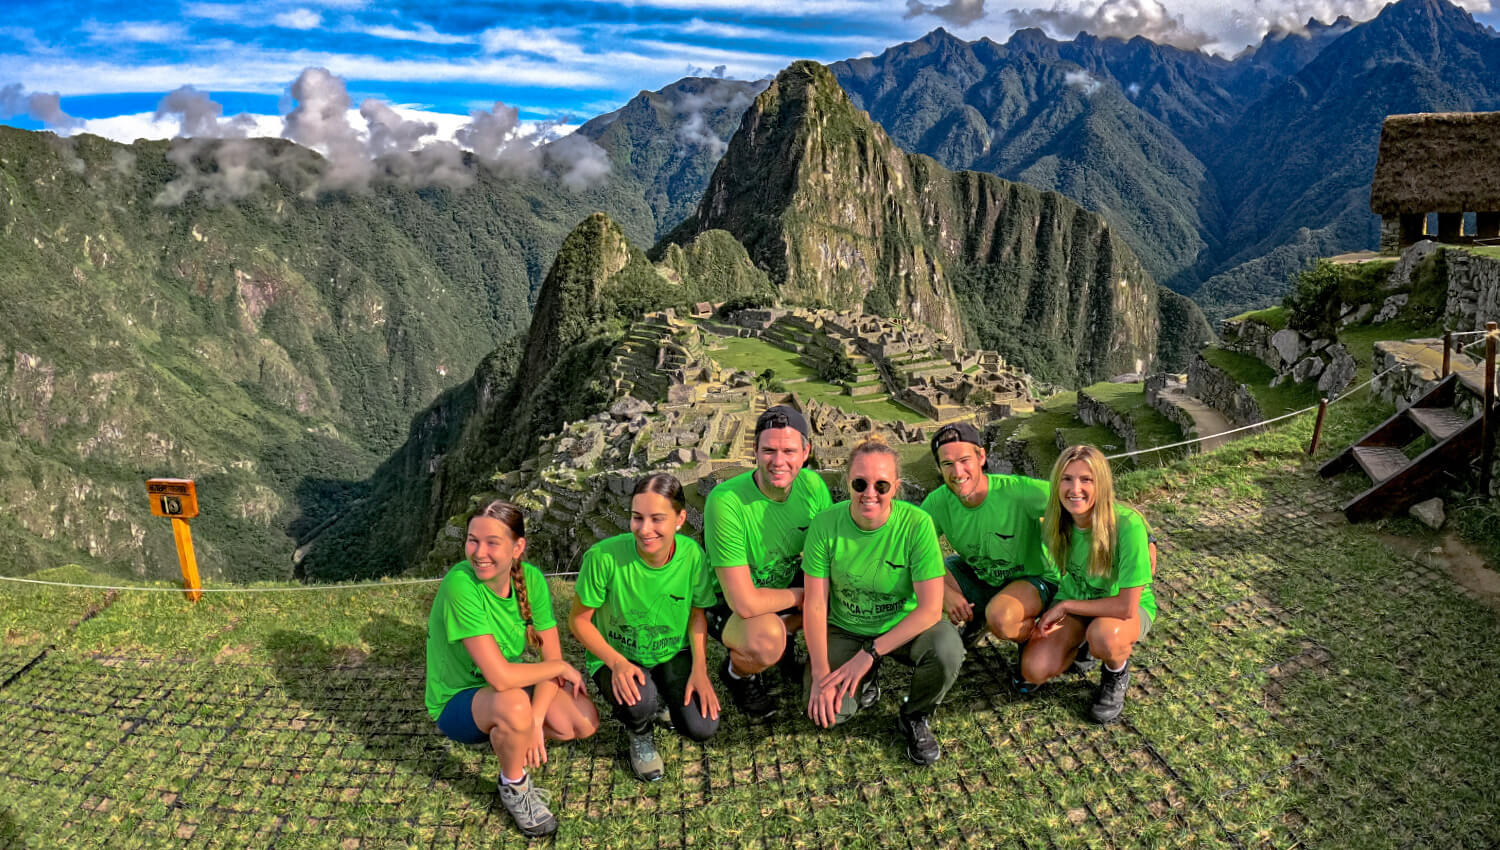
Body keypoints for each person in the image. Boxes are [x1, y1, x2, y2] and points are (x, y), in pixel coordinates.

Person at [425, 500, 600, 838]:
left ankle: (511, 731)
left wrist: (534, 722)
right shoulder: (459, 585)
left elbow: (549, 660)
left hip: (505, 692)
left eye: (493, 542)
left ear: (518, 547)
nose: (478, 552)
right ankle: (513, 784)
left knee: (580, 723)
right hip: (456, 701)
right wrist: (558, 668)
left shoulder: (532, 581)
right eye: (472, 540)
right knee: (514, 704)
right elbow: (503, 676)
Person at [802, 436, 965, 765]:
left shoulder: (916, 524)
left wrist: (870, 652)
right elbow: (815, 604)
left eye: (882, 485)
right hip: (846, 627)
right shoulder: (825, 525)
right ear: (848, 481)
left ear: (896, 486)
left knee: (948, 648)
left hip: (902, 626)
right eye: (860, 483)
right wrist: (820, 674)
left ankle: (915, 715)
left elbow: (931, 608)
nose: (870, 493)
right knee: (830, 715)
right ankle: (866, 676)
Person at [569, 473, 720, 782]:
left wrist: (700, 669)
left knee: (703, 726)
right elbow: (578, 621)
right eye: (637, 518)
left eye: (657, 519)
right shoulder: (603, 558)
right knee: (639, 702)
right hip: (618, 654)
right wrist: (616, 662)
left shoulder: (692, 556)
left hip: (671, 651)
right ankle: (639, 732)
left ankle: (663, 698)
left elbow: (696, 614)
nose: (645, 529)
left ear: (680, 519)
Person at [704, 405, 832, 719]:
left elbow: (831, 557)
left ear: (806, 452)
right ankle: (738, 674)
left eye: (789, 450)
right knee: (766, 640)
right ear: (755, 451)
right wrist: (806, 598)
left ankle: (785, 639)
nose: (778, 462)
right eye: (769, 451)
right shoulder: (726, 502)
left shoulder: (813, 488)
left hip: (779, 586)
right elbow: (744, 602)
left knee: (843, 590)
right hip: (723, 599)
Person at [1019, 445, 1158, 723]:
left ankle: (1115, 673)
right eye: (1067, 478)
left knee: (1105, 636)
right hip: (1078, 604)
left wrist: (1067, 605)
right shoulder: (1055, 524)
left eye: (1086, 480)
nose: (1075, 489)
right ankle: (1081, 648)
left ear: (1102, 484)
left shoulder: (1127, 525)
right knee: (1034, 669)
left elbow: (1127, 606)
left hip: (1121, 610)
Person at [920, 424, 1056, 671]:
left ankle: (1036, 638)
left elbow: (1082, 498)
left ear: (981, 457)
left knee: (1001, 618)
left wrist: (1146, 537)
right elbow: (909, 547)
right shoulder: (938, 502)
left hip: (1032, 578)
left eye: (964, 460)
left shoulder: (1018, 492)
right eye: (948, 464)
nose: (957, 472)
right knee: (925, 582)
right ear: (939, 468)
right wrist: (945, 593)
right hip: (981, 575)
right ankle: (979, 617)